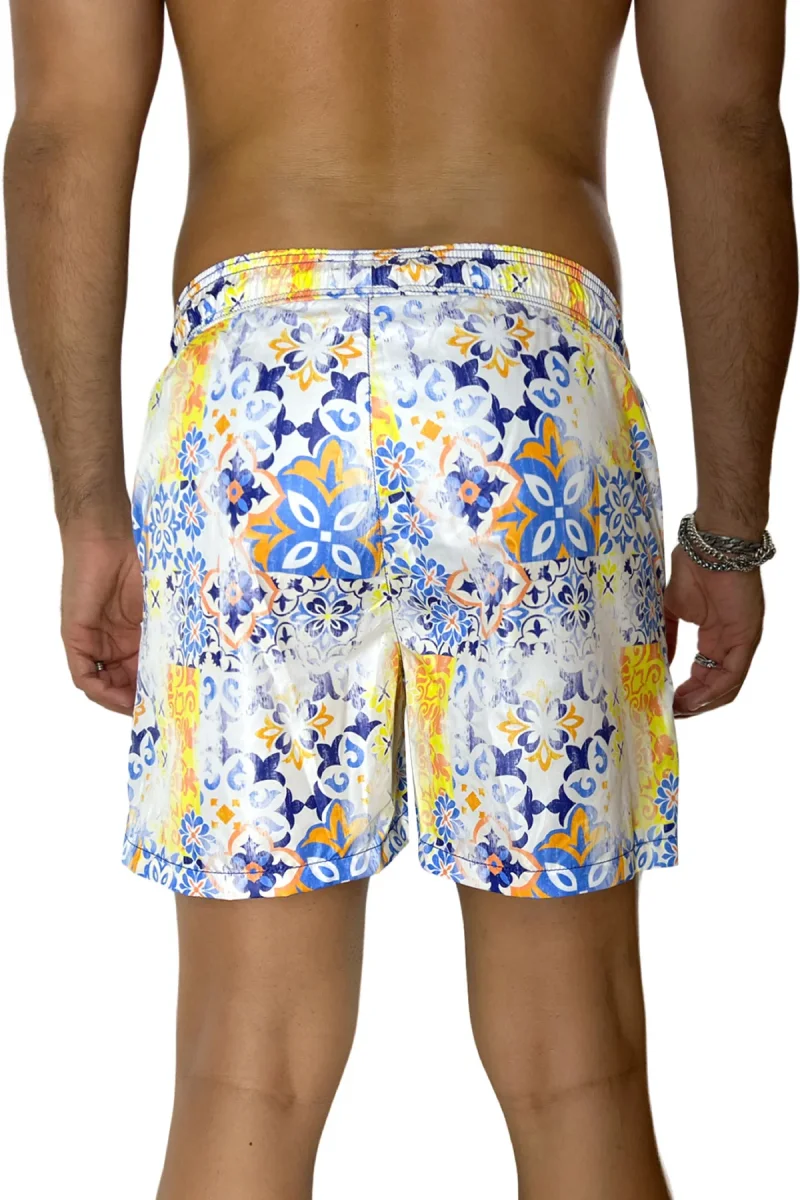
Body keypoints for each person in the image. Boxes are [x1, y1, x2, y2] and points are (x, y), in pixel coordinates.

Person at [4, 1, 795, 1196]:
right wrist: (728, 534)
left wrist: (87, 513)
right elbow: (728, 121)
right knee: (574, 1064)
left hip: (259, 401)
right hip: (524, 385)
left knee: (245, 1070)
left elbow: (62, 129)